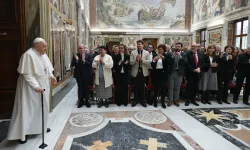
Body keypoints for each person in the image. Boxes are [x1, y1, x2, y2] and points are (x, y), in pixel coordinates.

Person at [7, 38, 57, 143]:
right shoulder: (28, 55)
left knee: (42, 107)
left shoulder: (43, 55)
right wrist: (36, 87)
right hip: (30, 88)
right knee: (27, 109)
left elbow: (47, 69)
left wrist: (52, 76)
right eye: (44, 46)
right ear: (37, 46)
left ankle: (40, 127)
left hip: (43, 85)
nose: (46, 49)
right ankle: (22, 134)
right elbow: (27, 74)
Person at [130, 40, 150, 107]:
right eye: (137, 44)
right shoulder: (133, 52)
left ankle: (142, 101)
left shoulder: (147, 53)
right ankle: (135, 100)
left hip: (143, 72)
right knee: (136, 87)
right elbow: (131, 63)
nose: (138, 45)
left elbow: (149, 62)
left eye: (140, 44)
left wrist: (142, 60)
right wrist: (136, 59)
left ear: (143, 45)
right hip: (135, 72)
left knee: (142, 87)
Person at [166, 42, 187, 107]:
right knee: (170, 87)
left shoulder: (184, 54)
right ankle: (170, 100)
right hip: (171, 72)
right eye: (176, 46)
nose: (177, 47)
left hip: (179, 72)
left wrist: (180, 56)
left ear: (181, 47)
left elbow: (185, 62)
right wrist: (172, 56)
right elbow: (167, 62)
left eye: (179, 46)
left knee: (177, 87)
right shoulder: (170, 53)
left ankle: (176, 100)